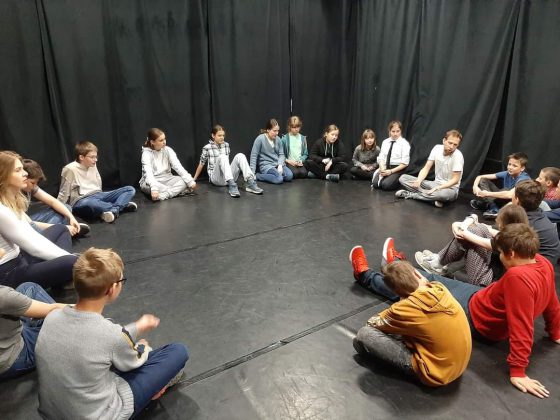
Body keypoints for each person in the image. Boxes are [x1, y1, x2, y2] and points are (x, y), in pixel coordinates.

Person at [352, 229, 560, 399]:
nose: (500, 257)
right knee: (433, 280)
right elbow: (552, 300)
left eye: (501, 254)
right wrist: (555, 331)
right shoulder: (542, 262)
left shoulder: (517, 277)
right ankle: (399, 268)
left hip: (477, 317)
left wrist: (518, 371)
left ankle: (366, 275)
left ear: (512, 254)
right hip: (479, 298)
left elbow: (521, 324)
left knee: (419, 291)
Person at [36, 248, 189, 419]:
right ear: (112, 289)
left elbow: (106, 340)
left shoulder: (52, 316)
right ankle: (155, 389)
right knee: (178, 351)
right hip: (101, 414)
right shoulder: (111, 335)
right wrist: (142, 347)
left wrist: (137, 327)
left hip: (53, 413)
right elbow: (132, 360)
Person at [350, 248, 471, 387]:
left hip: (436, 374)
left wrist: (400, 305)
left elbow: (372, 324)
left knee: (364, 335)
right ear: (418, 275)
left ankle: (363, 274)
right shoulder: (438, 288)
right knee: (417, 326)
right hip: (456, 365)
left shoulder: (403, 309)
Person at [0, 151, 77, 289]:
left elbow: (33, 237)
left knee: (61, 229)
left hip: (21, 258)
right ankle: (64, 276)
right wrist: (76, 261)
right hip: (9, 274)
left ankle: (62, 277)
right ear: (3, 176)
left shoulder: (11, 200)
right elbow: (34, 247)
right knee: (74, 263)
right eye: (18, 170)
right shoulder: (2, 210)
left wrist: (68, 258)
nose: (25, 173)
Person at [415, 205, 528, 286]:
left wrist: (462, 228)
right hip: (491, 272)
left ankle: (437, 263)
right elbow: (482, 226)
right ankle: (439, 260)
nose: (496, 222)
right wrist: (459, 223)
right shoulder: (518, 234)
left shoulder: (508, 241)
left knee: (473, 236)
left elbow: (471, 235)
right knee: (479, 230)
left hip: (487, 283)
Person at [57, 141, 137, 223]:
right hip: (82, 200)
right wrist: (58, 208)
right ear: (81, 157)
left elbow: (97, 181)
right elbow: (64, 192)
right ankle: (121, 205)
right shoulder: (70, 169)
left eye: (96, 156)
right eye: (92, 157)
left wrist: (102, 195)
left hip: (98, 194)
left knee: (129, 189)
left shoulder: (92, 165)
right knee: (91, 204)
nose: (95, 160)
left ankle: (113, 209)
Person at [0, 282, 65, 380]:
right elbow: (53, 309)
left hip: (8, 335)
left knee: (29, 288)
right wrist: (87, 306)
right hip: (12, 357)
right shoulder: (3, 295)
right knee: (63, 324)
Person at [396, 129, 464, 208]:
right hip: (435, 184)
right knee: (403, 178)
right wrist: (418, 181)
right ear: (444, 141)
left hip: (450, 189)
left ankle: (411, 195)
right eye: (450, 143)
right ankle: (432, 198)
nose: (452, 147)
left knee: (441, 195)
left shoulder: (458, 156)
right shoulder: (437, 148)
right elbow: (426, 168)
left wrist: (438, 188)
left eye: (455, 145)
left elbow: (455, 180)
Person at [22, 159, 90, 236]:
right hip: (25, 222)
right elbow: (26, 223)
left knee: (66, 208)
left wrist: (71, 218)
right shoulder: (13, 193)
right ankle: (60, 232)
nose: (34, 186)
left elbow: (52, 201)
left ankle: (59, 232)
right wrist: (62, 228)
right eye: (32, 183)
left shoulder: (31, 187)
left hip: (30, 217)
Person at [194, 125, 263, 197]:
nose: (222, 137)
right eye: (219, 135)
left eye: (223, 135)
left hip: (228, 178)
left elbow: (226, 164)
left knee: (240, 155)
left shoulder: (226, 145)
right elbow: (201, 164)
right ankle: (232, 186)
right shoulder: (207, 148)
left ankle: (250, 182)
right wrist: (194, 179)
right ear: (213, 136)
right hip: (216, 179)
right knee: (222, 157)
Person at [139, 128, 197, 201]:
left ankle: (164, 195)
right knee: (149, 188)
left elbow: (178, 166)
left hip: (167, 178)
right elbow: (149, 174)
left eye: (164, 139)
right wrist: (154, 188)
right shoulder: (146, 154)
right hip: (151, 181)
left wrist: (190, 181)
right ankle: (177, 192)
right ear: (152, 142)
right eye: (161, 140)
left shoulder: (168, 150)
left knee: (185, 182)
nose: (164, 142)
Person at [512, 180, 560, 264]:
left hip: (542, 266)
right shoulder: (538, 213)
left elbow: (503, 243)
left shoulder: (527, 223)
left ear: (517, 199)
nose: (556, 189)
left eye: (558, 187)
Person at [470, 152, 530, 219]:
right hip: (502, 198)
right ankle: (493, 207)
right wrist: (475, 186)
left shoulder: (524, 179)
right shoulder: (507, 173)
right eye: (509, 164)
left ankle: (489, 205)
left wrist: (487, 193)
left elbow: (510, 195)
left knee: (507, 190)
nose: (510, 167)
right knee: (483, 180)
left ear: (522, 168)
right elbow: (480, 177)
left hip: (512, 203)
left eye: (514, 166)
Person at [250, 119, 293, 184]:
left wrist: (280, 165)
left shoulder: (278, 139)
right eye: (274, 131)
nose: (277, 133)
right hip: (266, 165)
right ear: (268, 130)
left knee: (289, 176)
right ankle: (258, 176)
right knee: (279, 179)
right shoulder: (260, 139)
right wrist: (252, 173)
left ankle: (274, 176)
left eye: (278, 131)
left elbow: (281, 154)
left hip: (277, 164)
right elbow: (254, 156)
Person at [372, 121, 410, 190]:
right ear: (389, 131)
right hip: (386, 166)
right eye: (393, 131)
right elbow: (381, 157)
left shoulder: (404, 144)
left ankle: (398, 181)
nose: (395, 134)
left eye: (397, 131)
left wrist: (391, 171)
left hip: (397, 168)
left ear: (401, 131)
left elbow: (404, 164)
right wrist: (382, 169)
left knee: (386, 185)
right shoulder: (385, 142)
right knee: (375, 184)